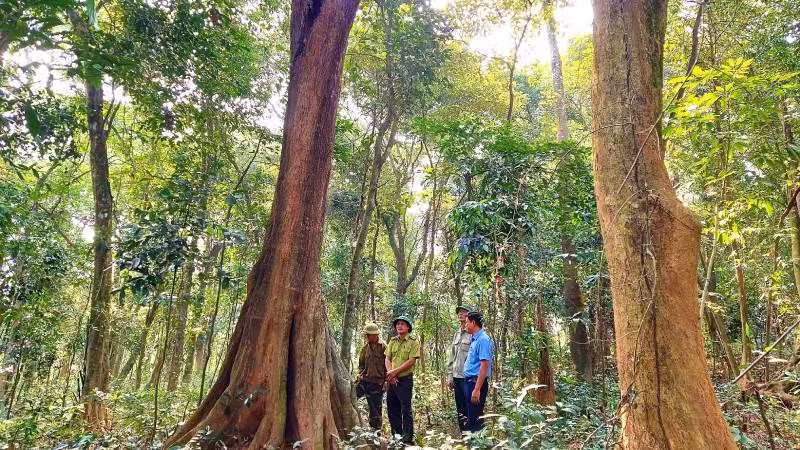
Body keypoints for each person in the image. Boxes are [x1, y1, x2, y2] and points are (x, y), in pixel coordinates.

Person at [385, 315, 419, 444]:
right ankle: (396, 435)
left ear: (408, 327)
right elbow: (387, 358)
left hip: (405, 380)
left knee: (405, 408)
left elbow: (411, 361)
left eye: (402, 324)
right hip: (392, 380)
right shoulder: (393, 341)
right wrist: (390, 374)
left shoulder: (413, 341)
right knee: (392, 407)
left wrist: (395, 372)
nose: (399, 326)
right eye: (398, 324)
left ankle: (407, 438)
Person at [463, 311, 493, 432]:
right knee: (473, 415)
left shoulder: (483, 340)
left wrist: (476, 389)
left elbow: (484, 365)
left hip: (475, 383)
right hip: (470, 382)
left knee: (475, 418)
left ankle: (478, 443)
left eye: (467, 323)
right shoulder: (475, 339)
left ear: (473, 323)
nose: (465, 326)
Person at [356, 322, 387, 431]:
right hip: (365, 380)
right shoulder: (365, 347)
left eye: (369, 335)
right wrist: (360, 374)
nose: (368, 337)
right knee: (353, 394)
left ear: (376, 335)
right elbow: (361, 364)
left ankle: (376, 432)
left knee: (375, 409)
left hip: (378, 383)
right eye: (367, 335)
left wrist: (386, 382)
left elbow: (388, 365)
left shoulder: (383, 347)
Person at [446, 304, 472, 431]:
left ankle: (473, 435)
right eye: (459, 312)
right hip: (456, 377)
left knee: (470, 406)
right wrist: (450, 375)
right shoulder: (457, 334)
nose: (460, 313)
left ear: (469, 315)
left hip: (467, 377)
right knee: (460, 407)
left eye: (463, 311)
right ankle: (463, 433)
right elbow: (452, 356)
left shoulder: (472, 333)